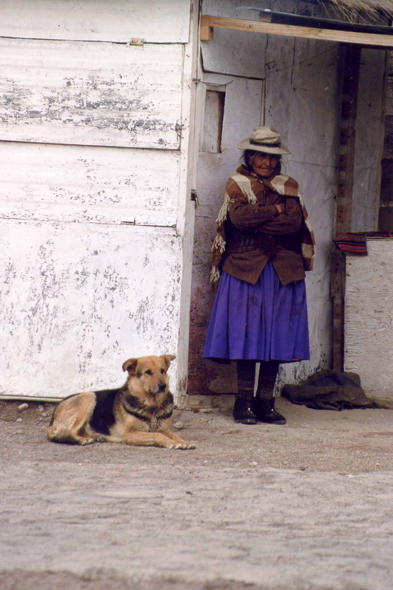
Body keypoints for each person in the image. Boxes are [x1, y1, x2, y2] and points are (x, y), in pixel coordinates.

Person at [203, 126, 315, 425]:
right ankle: (243, 403)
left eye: (272, 158)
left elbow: (293, 225)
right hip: (245, 269)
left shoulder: (288, 185)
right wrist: (275, 210)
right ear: (249, 156)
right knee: (247, 336)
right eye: (260, 156)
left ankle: (266, 402)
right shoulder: (237, 183)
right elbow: (238, 220)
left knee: (276, 337)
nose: (266, 163)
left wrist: (263, 217)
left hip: (282, 271)